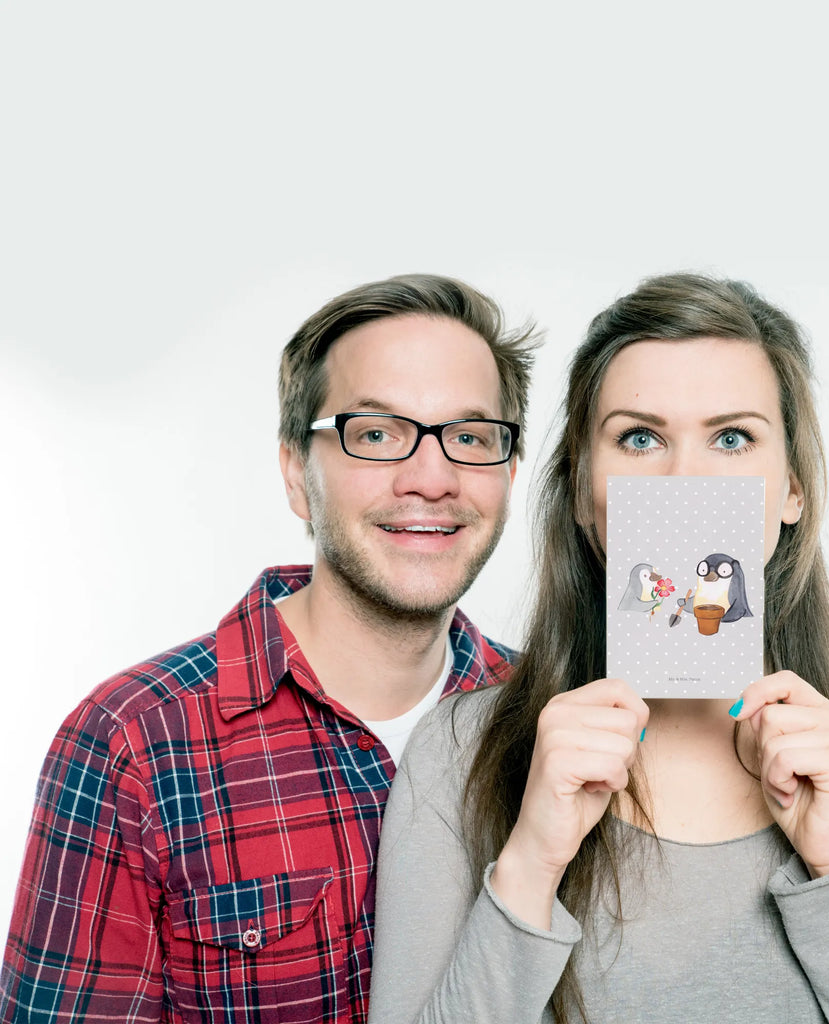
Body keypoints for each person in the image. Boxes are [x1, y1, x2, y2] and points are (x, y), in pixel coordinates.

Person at [367, 273, 829, 1023]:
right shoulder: (459, 753)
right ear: (583, 491)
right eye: (640, 438)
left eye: (732, 438)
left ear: (792, 489)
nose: (685, 479)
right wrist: (531, 860)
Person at [0, 274, 538, 1024]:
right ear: (295, 474)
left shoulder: (546, 715)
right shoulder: (131, 744)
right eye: (376, 434)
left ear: (508, 472)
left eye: (470, 438)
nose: (432, 478)